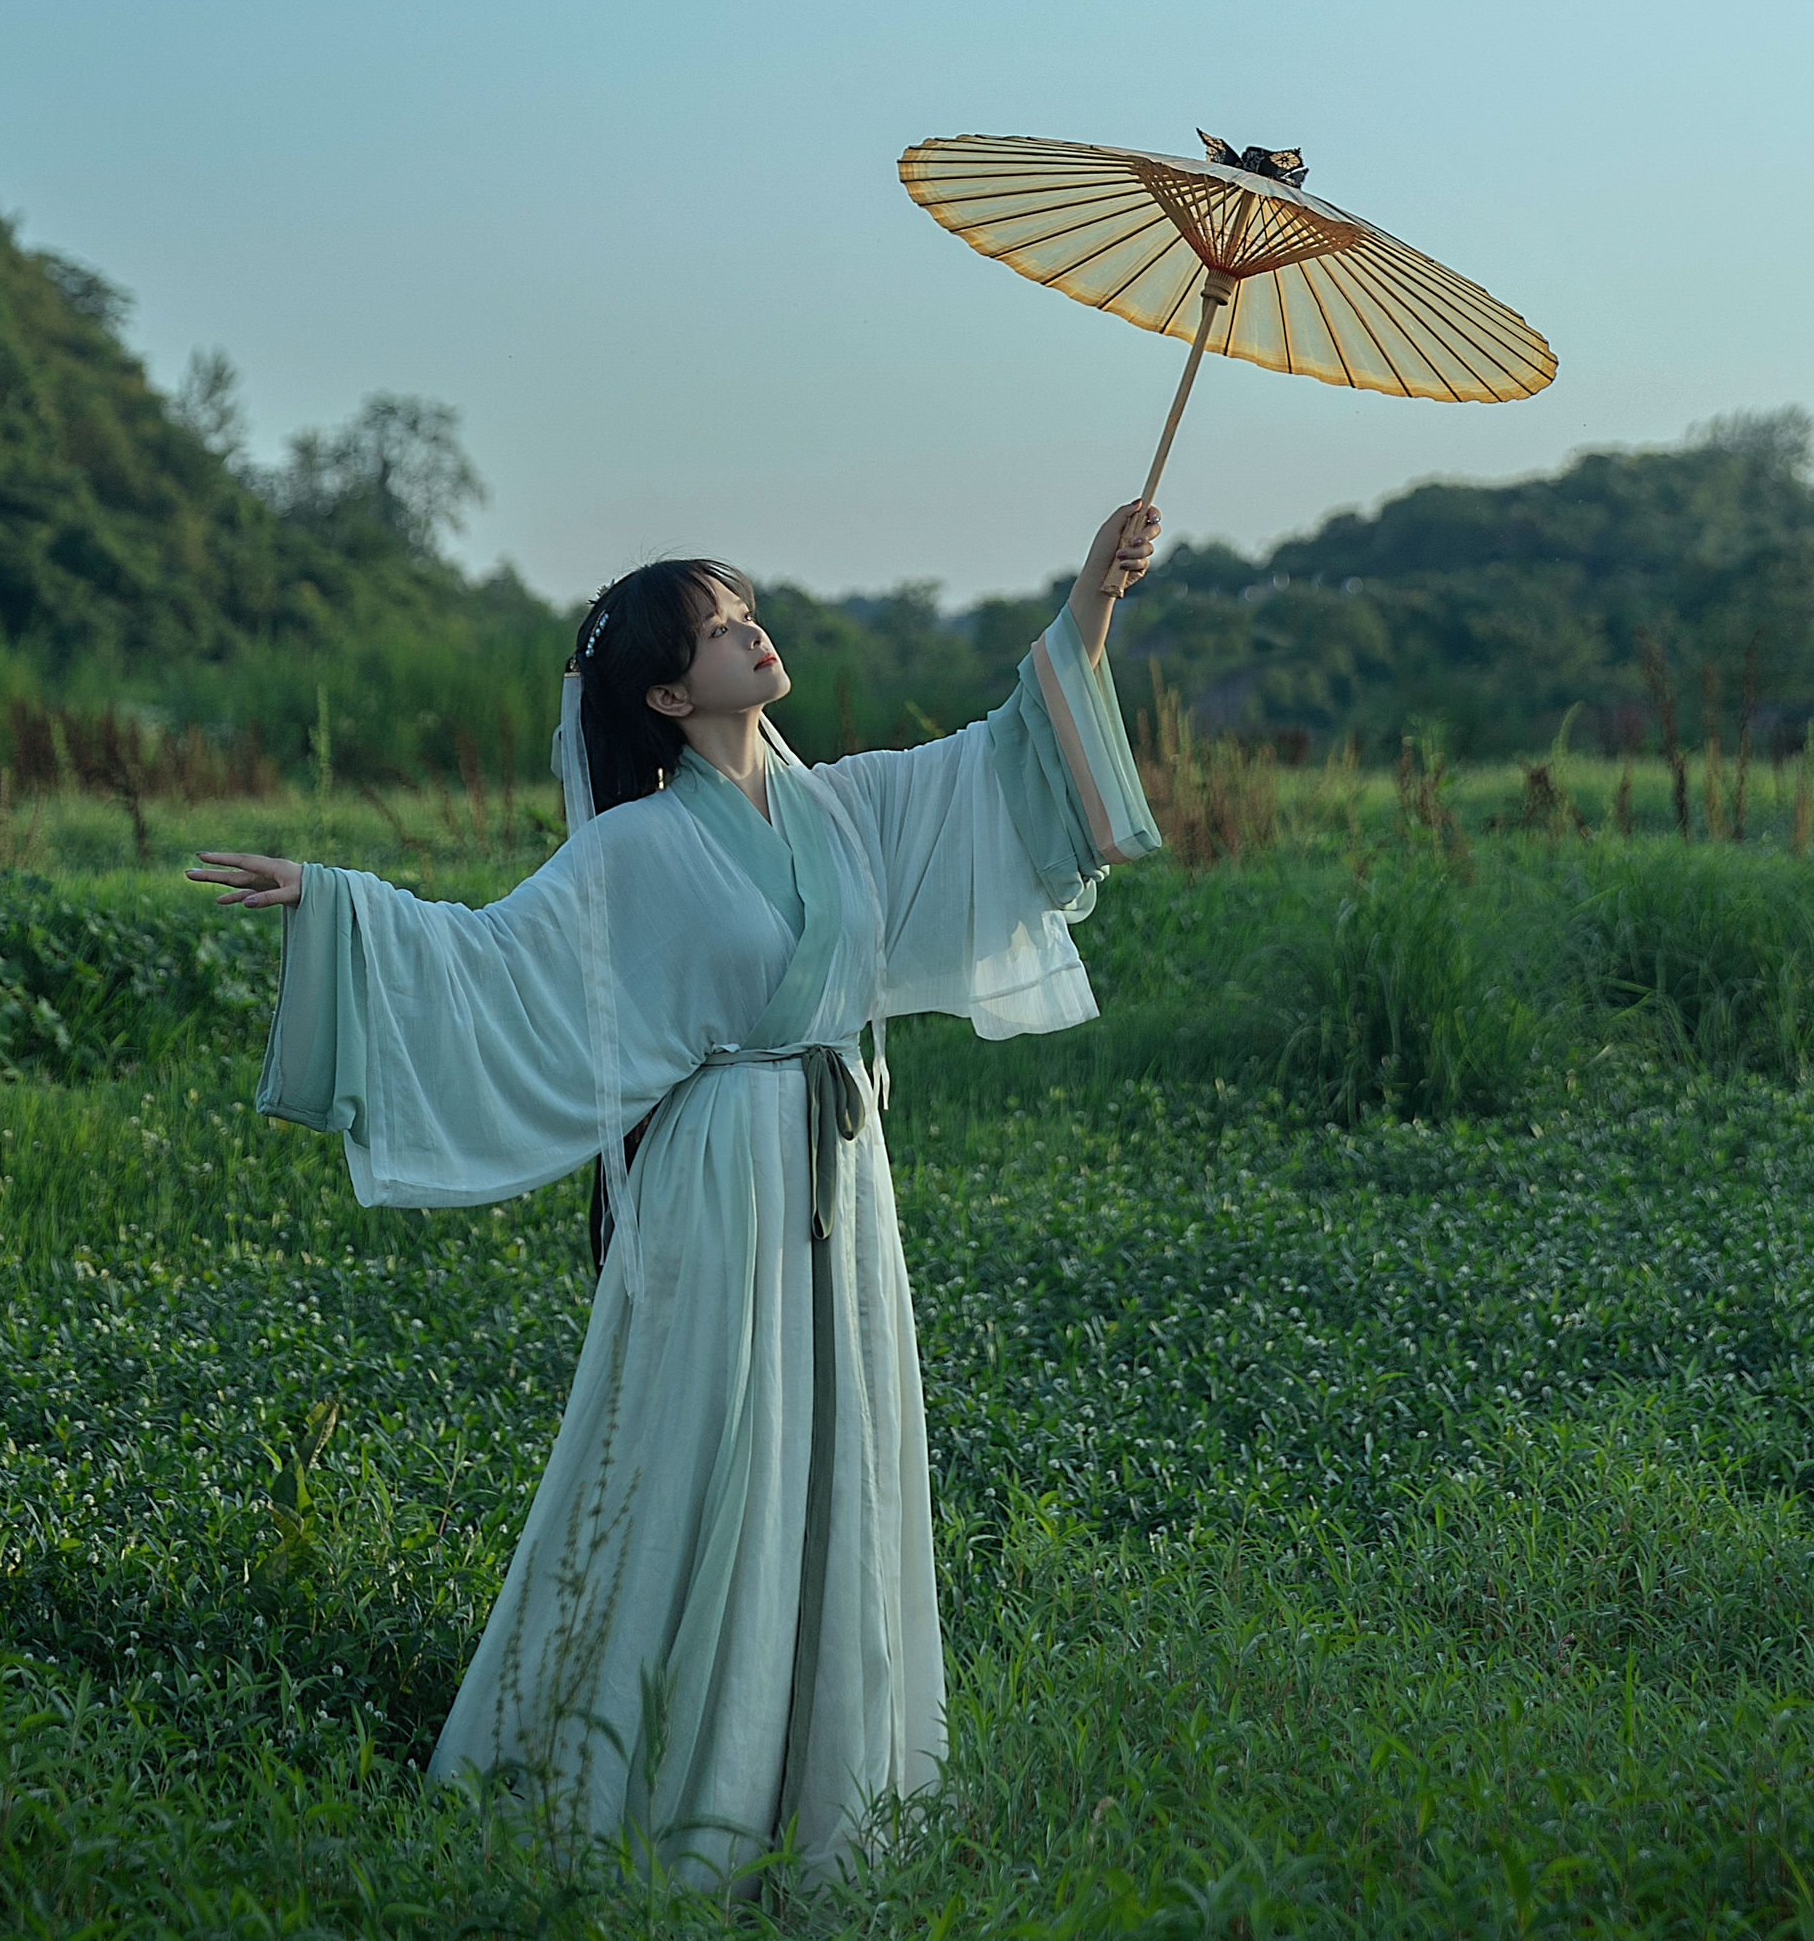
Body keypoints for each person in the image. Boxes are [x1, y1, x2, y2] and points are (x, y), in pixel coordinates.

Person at [189, 496, 1163, 1879]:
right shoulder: (631, 848)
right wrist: (334, 899)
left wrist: (1095, 602)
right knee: (700, 1451)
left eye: (746, 610)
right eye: (720, 627)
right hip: (723, 1174)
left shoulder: (849, 801)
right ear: (662, 689)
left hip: (841, 1165)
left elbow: (1004, 764)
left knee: (838, 1449)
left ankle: (820, 1796)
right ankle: (642, 1769)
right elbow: (486, 957)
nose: (754, 632)